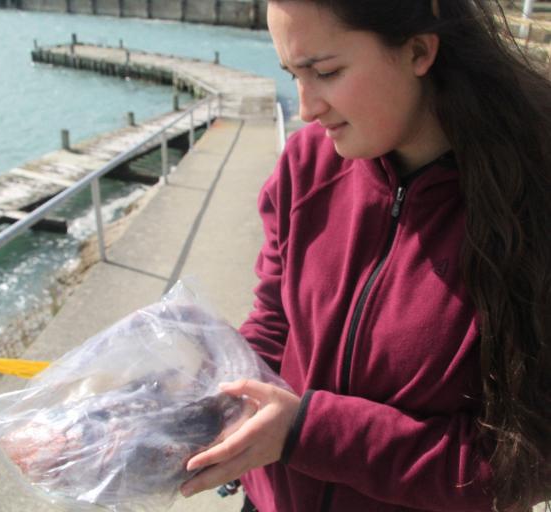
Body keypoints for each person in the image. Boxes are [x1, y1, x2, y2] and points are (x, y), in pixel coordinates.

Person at [180, 1, 551, 511]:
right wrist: (171, 415)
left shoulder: (531, 206)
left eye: (326, 73)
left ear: (420, 50)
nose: (307, 108)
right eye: (292, 75)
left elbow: (519, 466)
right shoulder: (305, 165)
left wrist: (306, 434)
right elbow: (274, 327)